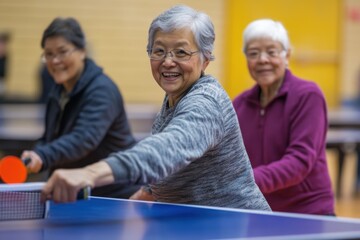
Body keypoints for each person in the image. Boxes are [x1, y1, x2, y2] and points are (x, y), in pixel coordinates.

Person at [41, 5, 271, 211]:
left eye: (181, 52)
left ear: (206, 59)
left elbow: (168, 149)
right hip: (196, 225)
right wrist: (146, 193)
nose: (168, 61)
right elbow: (175, 164)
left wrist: (89, 173)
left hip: (240, 227)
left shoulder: (206, 101)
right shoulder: (174, 99)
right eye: (159, 51)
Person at [21, 17, 139, 198]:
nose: (55, 61)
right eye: (49, 54)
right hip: (79, 194)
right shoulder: (57, 91)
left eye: (62, 52)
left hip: (115, 195)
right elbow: (50, 137)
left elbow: (83, 139)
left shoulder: (102, 90)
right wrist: (36, 153)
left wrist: (43, 155)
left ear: (82, 51)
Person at [232, 19, 335, 215]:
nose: (262, 59)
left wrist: (243, 180)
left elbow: (299, 160)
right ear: (246, 59)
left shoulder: (308, 95)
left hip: (308, 213)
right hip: (260, 212)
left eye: (272, 52)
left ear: (287, 55)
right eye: (254, 53)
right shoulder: (238, 105)